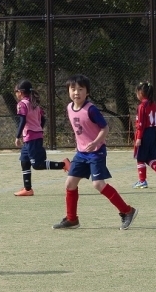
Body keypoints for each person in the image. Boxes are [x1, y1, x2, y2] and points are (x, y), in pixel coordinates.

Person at [52, 74, 138, 230]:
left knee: (98, 184)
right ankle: (72, 220)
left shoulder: (91, 110)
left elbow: (105, 128)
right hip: (81, 153)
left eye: (80, 89)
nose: (76, 92)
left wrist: (95, 142)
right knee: (70, 183)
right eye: (73, 89)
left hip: (96, 152)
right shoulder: (69, 108)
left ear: (87, 92)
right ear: (68, 91)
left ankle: (127, 211)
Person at [12, 80, 70, 196]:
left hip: (31, 138)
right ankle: (28, 189)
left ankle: (64, 164)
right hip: (31, 138)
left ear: (21, 92)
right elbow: (43, 119)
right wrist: (39, 129)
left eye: (16, 91)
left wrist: (17, 136)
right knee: (24, 162)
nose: (15, 93)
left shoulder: (22, 104)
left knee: (37, 165)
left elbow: (22, 120)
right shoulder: (34, 104)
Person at [132, 81, 156, 188]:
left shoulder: (142, 106)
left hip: (145, 132)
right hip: (153, 132)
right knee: (148, 157)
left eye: (137, 92)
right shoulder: (154, 105)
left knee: (140, 157)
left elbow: (141, 124)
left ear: (141, 93)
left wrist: (139, 138)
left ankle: (142, 181)